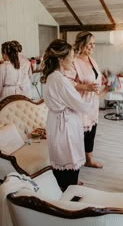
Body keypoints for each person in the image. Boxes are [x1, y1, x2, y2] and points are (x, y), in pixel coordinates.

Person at [40, 39, 93, 191]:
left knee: (64, 156)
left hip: (58, 121)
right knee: (68, 156)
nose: (73, 59)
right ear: (60, 59)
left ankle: (70, 184)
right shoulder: (60, 80)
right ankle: (69, 191)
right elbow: (80, 104)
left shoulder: (53, 76)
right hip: (65, 124)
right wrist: (99, 95)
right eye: (70, 56)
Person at [65, 31, 103, 169]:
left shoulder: (92, 60)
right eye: (89, 44)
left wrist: (102, 81)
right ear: (81, 44)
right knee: (79, 132)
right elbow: (68, 83)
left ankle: (89, 159)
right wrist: (86, 87)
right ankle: (74, 162)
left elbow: (95, 77)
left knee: (91, 131)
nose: (92, 47)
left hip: (93, 102)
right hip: (80, 102)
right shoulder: (73, 61)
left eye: (93, 44)